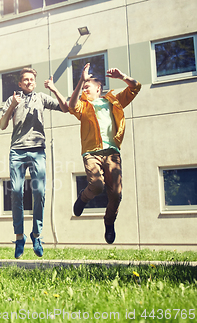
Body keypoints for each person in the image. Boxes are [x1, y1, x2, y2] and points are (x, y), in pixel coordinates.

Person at [66, 63, 141, 244]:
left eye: (87, 87)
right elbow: (71, 105)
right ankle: (83, 198)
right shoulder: (83, 106)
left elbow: (136, 87)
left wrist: (122, 76)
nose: (84, 89)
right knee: (97, 186)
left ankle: (109, 222)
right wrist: (79, 82)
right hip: (92, 153)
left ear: (99, 88)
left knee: (116, 193)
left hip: (112, 153)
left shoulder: (113, 100)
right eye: (83, 87)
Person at [0, 67, 68, 259]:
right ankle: (19, 237)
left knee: (39, 192)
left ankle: (36, 234)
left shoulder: (41, 97)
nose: (29, 82)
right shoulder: (12, 99)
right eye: (25, 80)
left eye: (32, 79)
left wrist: (53, 89)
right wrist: (13, 105)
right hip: (17, 151)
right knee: (16, 192)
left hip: (38, 150)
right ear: (20, 84)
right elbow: (2, 124)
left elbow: (66, 108)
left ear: (35, 82)